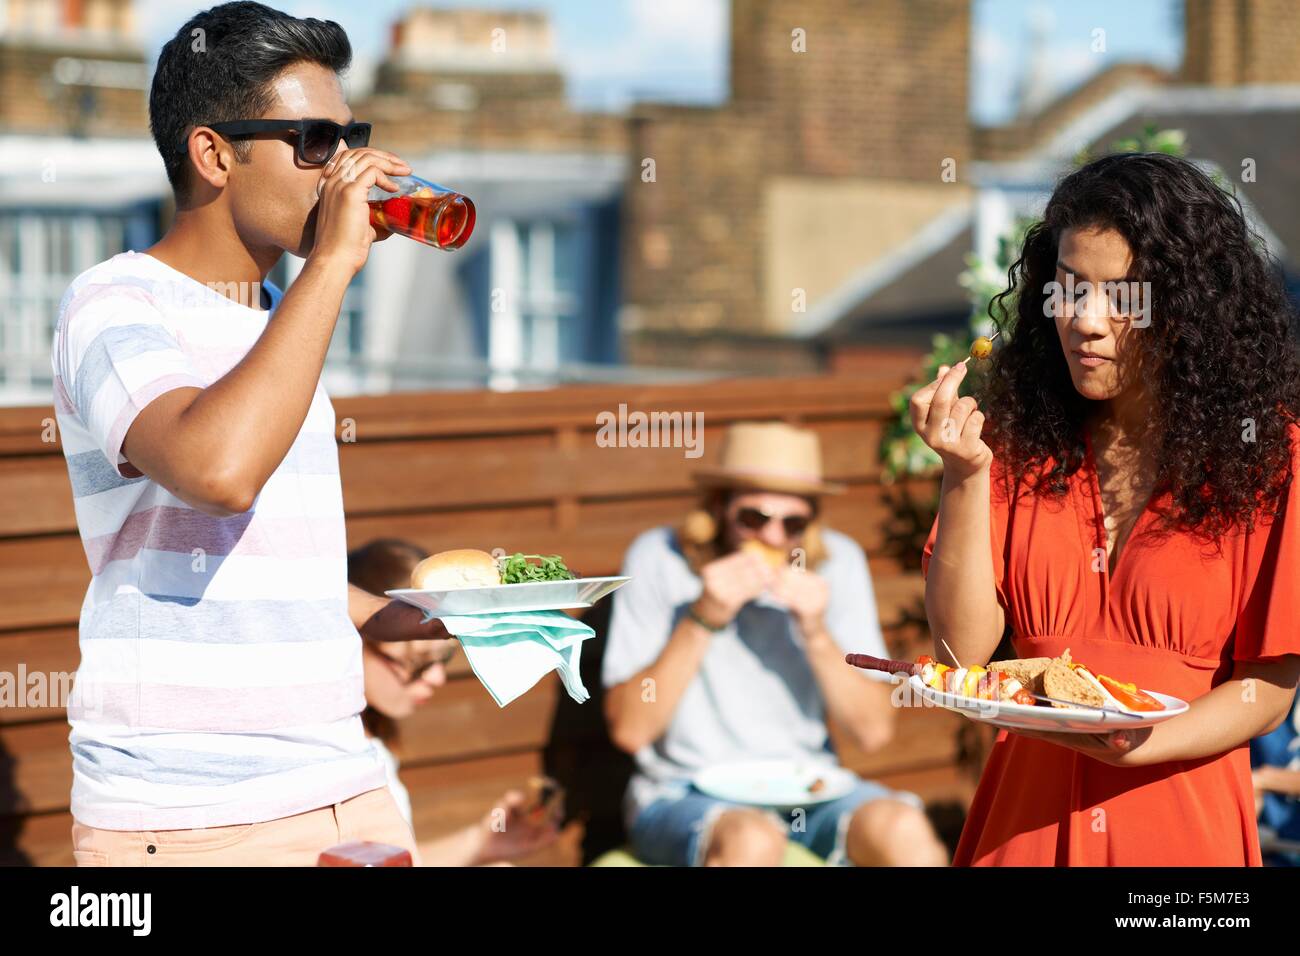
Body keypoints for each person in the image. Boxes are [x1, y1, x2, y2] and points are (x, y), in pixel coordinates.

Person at [52, 3, 445, 866]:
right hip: (190, 812)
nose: (342, 169)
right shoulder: (114, 304)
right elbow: (217, 471)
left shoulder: (274, 318)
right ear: (214, 153)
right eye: (314, 142)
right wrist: (336, 263)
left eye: (352, 138)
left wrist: (409, 619)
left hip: (344, 782)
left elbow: (259, 558)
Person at [915, 152, 1300, 865]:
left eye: (1123, 297)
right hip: (1018, 829)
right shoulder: (1013, 446)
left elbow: (1268, 694)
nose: (1085, 322)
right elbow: (958, 656)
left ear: (1188, 307)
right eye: (1070, 290)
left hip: (1180, 832)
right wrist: (965, 474)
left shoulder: (1272, 458)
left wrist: (1139, 743)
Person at [602, 422, 948, 866]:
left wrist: (816, 633)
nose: (773, 537)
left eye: (793, 523)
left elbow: (873, 732)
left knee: (904, 830)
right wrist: (703, 617)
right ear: (717, 509)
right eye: (753, 518)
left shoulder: (837, 563)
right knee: (752, 840)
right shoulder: (659, 558)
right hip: (682, 793)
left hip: (809, 791)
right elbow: (631, 730)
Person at [347, 539, 561, 866]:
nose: (436, 679)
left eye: (444, 660)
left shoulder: (374, 743)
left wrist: (480, 843)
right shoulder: (335, 754)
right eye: (417, 663)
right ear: (353, 638)